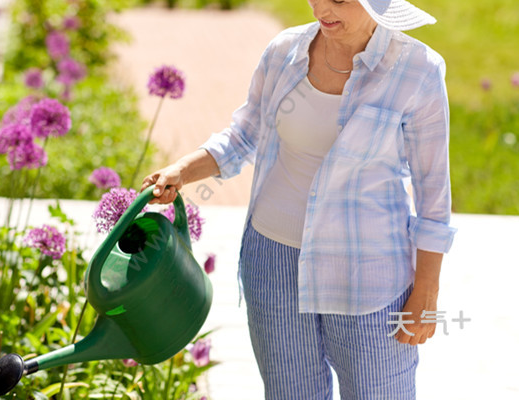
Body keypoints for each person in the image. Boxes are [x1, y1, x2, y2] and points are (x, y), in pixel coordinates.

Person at [141, 0, 457, 398]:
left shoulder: (417, 71)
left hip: (366, 276)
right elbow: (243, 135)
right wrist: (182, 172)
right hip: (273, 262)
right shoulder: (284, 52)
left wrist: (426, 292)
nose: (321, 9)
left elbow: (433, 195)